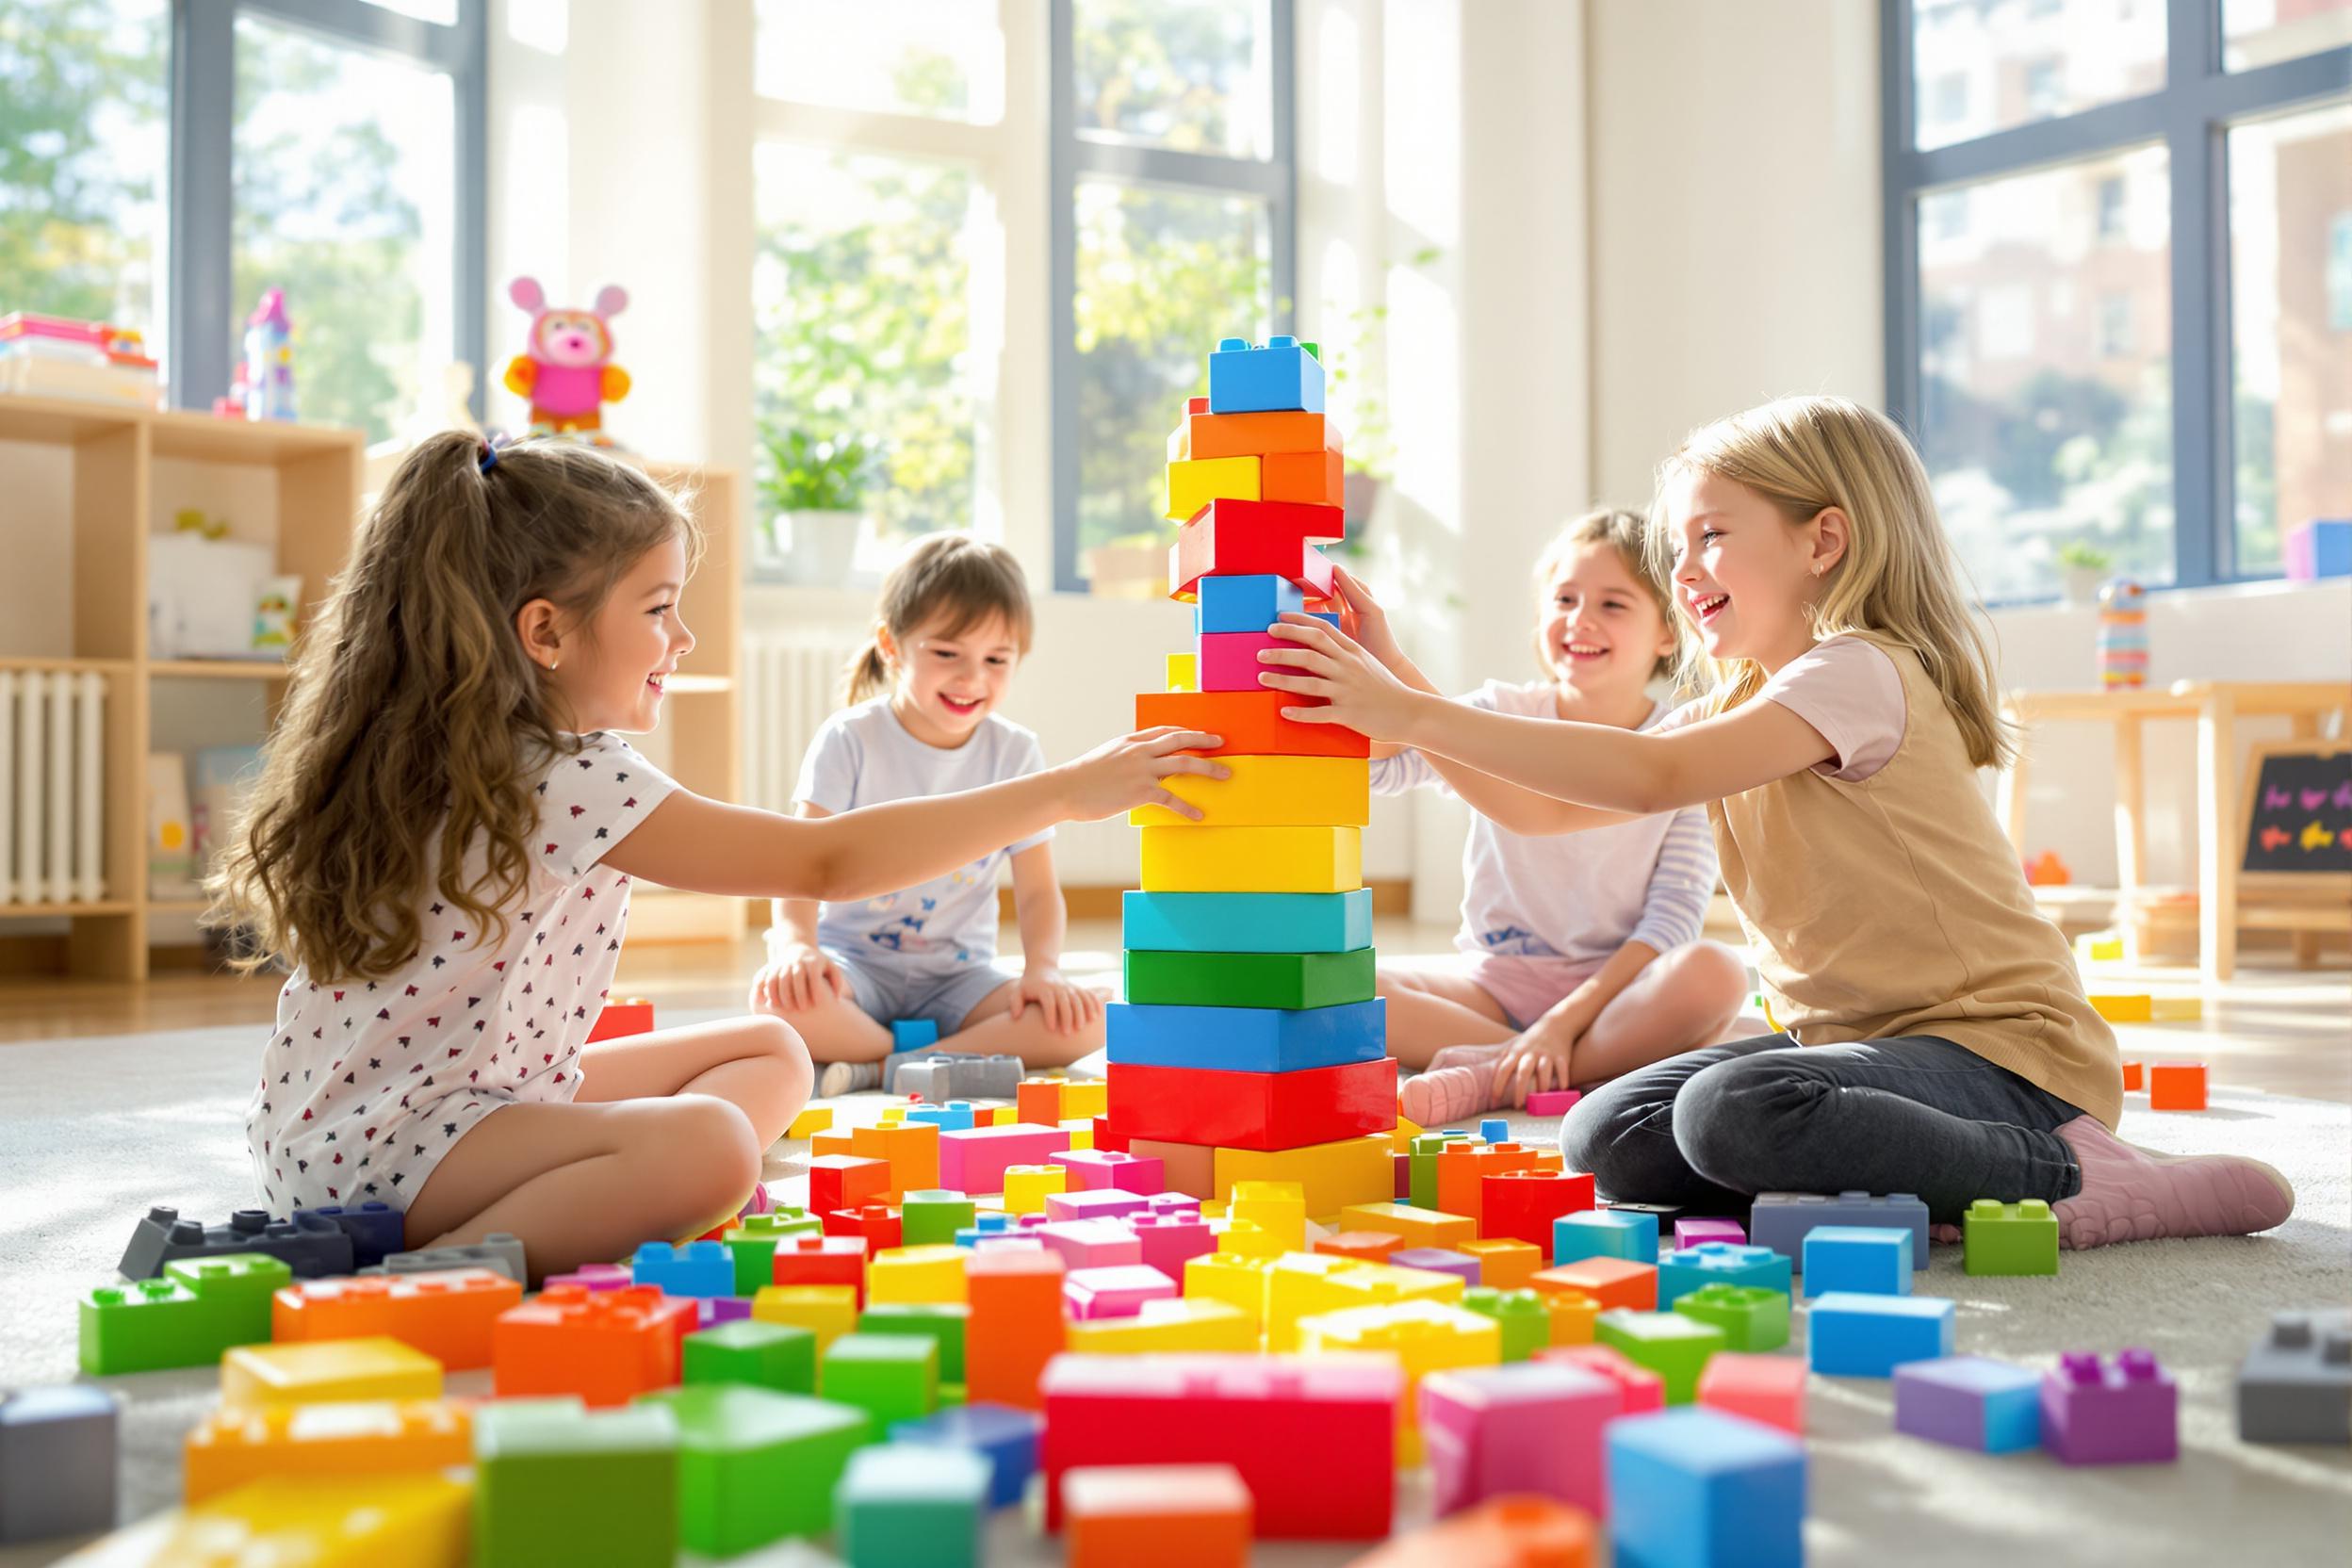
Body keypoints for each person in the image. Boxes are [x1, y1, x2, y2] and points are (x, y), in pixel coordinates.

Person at [1258, 397, 2292, 1249]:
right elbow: (1539, 806)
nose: (1687, 566)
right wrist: (1400, 679)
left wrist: (1412, 714)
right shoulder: (1745, 703)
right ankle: (1898, 1185)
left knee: (1732, 1114)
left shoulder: (1858, 668)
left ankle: (2071, 1173)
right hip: (1862, 1057)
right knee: (1606, 1132)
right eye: (1680, 545)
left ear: (1823, 539)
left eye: (1712, 535)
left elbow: (1652, 773)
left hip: (2004, 1060)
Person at [212, 433, 1222, 1278]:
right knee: (713, 1146)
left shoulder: (482, 748)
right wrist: (1061, 790)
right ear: (546, 632)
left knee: (773, 1049)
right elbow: (824, 863)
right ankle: (428, 1275)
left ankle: (581, 1199)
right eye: (658, 609)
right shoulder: (565, 773)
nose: (684, 636)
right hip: (389, 1153)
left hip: (418, 1113)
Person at [1349, 512, 1747, 1124]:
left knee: (1716, 973)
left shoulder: (1686, 743)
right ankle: (1541, 1064)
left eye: (1613, 604)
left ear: (1669, 632)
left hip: (1614, 995)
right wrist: (1375, 676)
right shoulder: (1500, 712)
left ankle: (1499, 1071)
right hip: (1493, 984)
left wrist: (1564, 1023)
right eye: (1564, 599)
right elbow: (1387, 767)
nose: (1580, 620)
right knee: (1348, 981)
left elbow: (1671, 924)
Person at [750, 534, 1107, 1098]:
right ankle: (927, 1061)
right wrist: (797, 945)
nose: (973, 679)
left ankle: (885, 1066)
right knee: (777, 1003)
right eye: (947, 654)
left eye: (996, 660)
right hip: (855, 970)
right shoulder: (850, 738)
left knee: (1090, 1017)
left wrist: (1044, 969)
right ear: (892, 646)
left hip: (960, 980)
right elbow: (800, 859)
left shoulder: (1015, 752)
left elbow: (1038, 891)